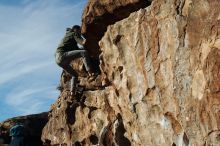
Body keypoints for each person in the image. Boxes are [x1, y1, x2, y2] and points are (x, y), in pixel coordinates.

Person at [55, 25, 95, 95]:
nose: (80, 33)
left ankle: (72, 93)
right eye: (80, 31)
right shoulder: (74, 33)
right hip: (62, 55)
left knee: (74, 75)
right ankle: (91, 73)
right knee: (84, 53)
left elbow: (77, 49)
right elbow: (82, 42)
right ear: (76, 30)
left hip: (58, 60)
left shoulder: (68, 36)